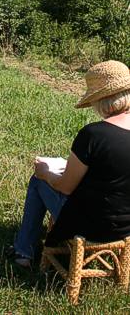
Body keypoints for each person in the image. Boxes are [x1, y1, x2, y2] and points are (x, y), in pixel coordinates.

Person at [7, 60, 130, 268]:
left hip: (91, 225)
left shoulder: (93, 135)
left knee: (38, 181)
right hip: (127, 225)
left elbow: (65, 187)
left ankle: (23, 252)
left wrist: (46, 173)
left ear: (98, 100)